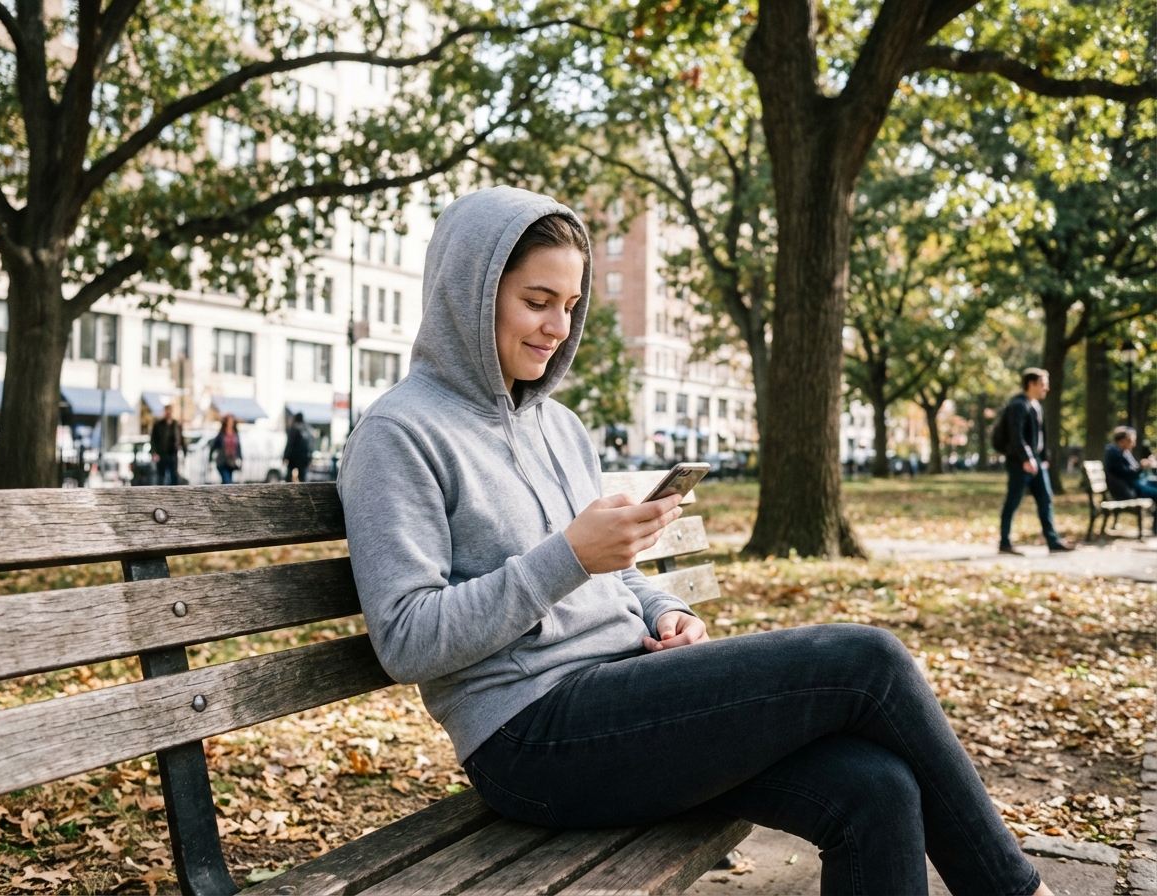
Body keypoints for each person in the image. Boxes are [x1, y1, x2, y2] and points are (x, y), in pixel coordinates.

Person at [338, 187, 1051, 896]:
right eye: (537, 301)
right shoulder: (399, 433)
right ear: (470, 291)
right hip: (527, 737)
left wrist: (664, 611)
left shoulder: (560, 426)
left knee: (877, 788)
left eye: (572, 305)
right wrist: (568, 557)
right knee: (869, 660)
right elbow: (407, 639)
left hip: (623, 695)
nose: (558, 326)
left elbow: (613, 570)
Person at [998, 368, 1075, 555]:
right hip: (1020, 462)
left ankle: (1053, 541)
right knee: (1013, 500)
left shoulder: (1036, 406)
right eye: (1043, 384)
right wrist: (1026, 459)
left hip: (1037, 462)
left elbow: (1041, 436)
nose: (1046, 388)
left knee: (1045, 498)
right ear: (1031, 384)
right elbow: (1016, 435)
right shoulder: (1018, 405)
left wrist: (1044, 459)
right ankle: (1005, 543)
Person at [1104, 427, 1157, 534]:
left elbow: (1132, 471)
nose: (1133, 444)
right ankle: (1155, 528)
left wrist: (1143, 466)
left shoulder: (1123, 452)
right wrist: (1142, 467)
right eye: (1130, 441)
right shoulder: (1114, 453)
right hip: (1126, 490)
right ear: (1122, 440)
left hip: (1133, 485)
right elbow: (1128, 474)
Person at [149, 404, 185, 486]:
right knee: (160, 477)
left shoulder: (176, 425)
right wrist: (154, 453)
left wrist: (183, 450)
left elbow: (181, 439)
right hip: (161, 454)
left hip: (173, 454)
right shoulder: (158, 425)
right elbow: (153, 440)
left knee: (174, 477)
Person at [208, 414, 242, 484]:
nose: (230, 423)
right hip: (222, 462)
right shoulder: (221, 435)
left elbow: (238, 447)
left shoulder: (235, 434)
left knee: (227, 482)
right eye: (229, 421)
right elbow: (213, 447)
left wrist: (240, 459)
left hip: (231, 462)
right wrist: (210, 460)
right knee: (227, 481)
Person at [284, 412, 312, 483]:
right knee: (302, 478)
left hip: (294, 457)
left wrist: (286, 456)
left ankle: (287, 489)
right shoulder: (306, 429)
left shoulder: (294, 428)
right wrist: (309, 457)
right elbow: (309, 444)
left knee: (289, 477)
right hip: (304, 457)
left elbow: (290, 443)